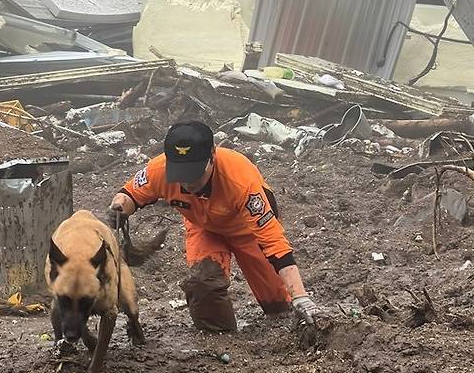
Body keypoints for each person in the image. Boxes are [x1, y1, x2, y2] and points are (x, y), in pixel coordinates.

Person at [109, 121, 320, 332]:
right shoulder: (158, 170)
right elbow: (129, 194)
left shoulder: (241, 182)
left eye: (194, 173)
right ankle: (220, 337)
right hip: (203, 228)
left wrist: (300, 296)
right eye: (180, 174)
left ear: (212, 156)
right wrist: (119, 210)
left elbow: (275, 243)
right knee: (203, 284)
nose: (187, 183)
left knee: (279, 305)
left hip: (247, 231)